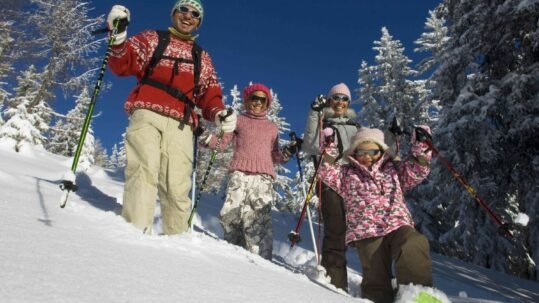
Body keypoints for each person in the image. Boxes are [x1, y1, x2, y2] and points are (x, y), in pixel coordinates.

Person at [106, 0, 237, 235]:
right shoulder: (153, 38)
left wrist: (219, 114)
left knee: (177, 184)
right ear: (174, 13)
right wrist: (118, 35)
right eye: (183, 10)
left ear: (199, 22)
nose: (188, 16)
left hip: (182, 124)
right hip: (147, 112)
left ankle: (177, 243)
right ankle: (135, 234)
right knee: (144, 169)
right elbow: (123, 63)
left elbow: (210, 94)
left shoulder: (201, 57)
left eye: (195, 14)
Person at [317, 126, 434, 303]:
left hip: (396, 224)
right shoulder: (346, 174)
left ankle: (418, 296)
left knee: (413, 244)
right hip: (366, 232)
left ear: (381, 151)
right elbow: (326, 170)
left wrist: (421, 145)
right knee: (375, 278)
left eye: (373, 151)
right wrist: (328, 146)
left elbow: (417, 170)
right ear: (354, 153)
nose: (367, 157)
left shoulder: (394, 169)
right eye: (361, 152)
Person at [200, 83, 297, 260]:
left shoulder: (272, 127)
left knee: (258, 219)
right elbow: (223, 142)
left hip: (263, 177)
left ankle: (260, 260)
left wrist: (286, 153)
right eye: (254, 98)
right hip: (239, 172)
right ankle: (233, 252)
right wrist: (208, 139)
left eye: (262, 99)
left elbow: (275, 156)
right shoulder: (239, 120)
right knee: (231, 213)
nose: (258, 102)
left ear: (267, 103)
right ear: (247, 100)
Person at [302, 83, 360, 291]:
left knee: (367, 233)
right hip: (329, 182)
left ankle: (378, 287)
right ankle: (336, 285)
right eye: (336, 98)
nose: (340, 103)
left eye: (344, 99)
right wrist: (314, 113)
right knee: (336, 230)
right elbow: (309, 145)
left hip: (356, 185)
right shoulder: (322, 121)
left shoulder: (356, 127)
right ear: (329, 101)